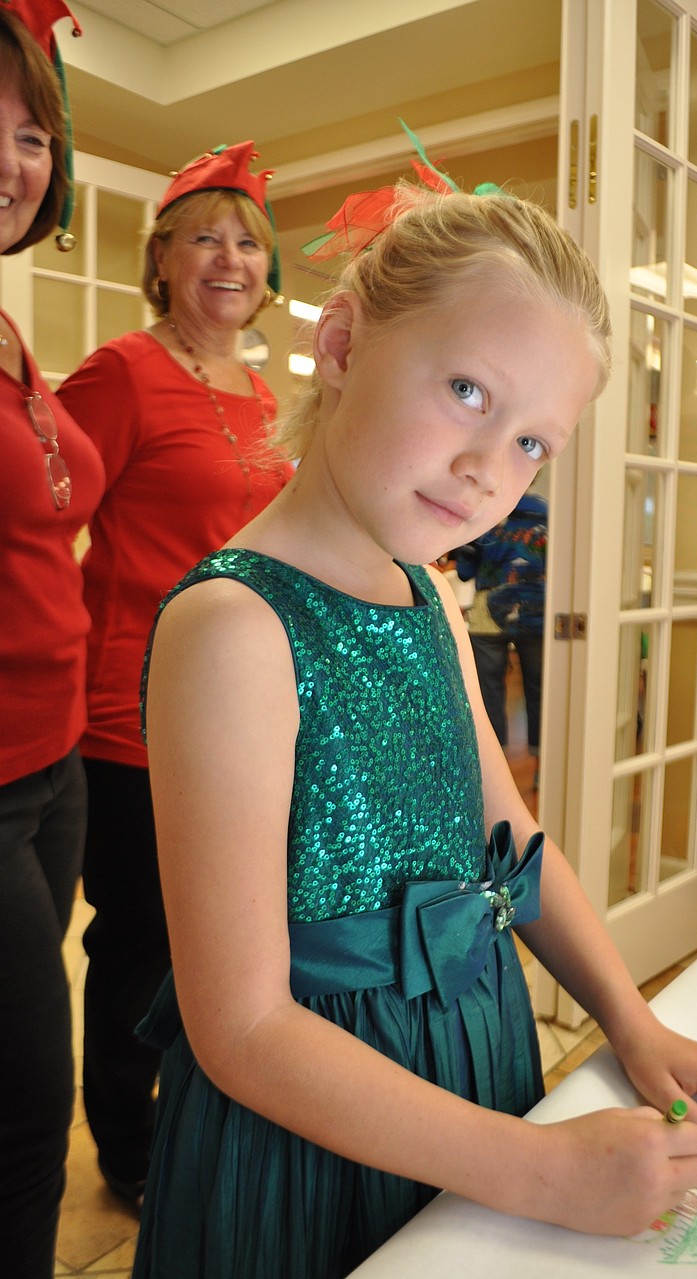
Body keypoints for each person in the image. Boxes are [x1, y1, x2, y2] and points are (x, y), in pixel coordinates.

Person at [132, 151, 697, 1279]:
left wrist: (635, 1024)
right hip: (317, 1137)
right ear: (341, 345)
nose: (486, 469)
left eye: (532, 441)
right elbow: (242, 1028)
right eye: (466, 393)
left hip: (471, 1068)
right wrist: (540, 1171)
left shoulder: (428, 595)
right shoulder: (235, 628)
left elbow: (518, 851)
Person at [56, 141, 294, 1210]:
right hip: (132, 716)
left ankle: (208, 1109)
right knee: (141, 945)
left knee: (232, 933)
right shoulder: (121, 371)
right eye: (205, 236)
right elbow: (47, 518)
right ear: (161, 259)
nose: (229, 258)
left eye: (248, 240)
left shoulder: (263, 387)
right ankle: (130, 1146)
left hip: (245, 712)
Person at [0, 4, 105, 1276]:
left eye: (33, 133)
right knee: (30, 1107)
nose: (15, 160)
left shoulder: (16, 334)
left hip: (55, 758)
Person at [455, 489, 548, 768]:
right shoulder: (547, 512)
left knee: (489, 691)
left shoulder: (482, 508)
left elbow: (464, 570)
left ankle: (494, 766)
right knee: (540, 689)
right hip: (539, 610)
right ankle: (541, 764)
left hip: (487, 614)